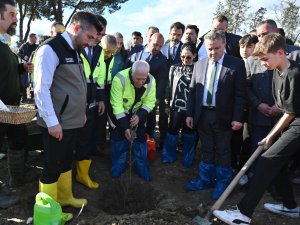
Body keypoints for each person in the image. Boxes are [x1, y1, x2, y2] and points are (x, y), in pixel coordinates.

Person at [213, 33, 300, 225]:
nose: (262, 64)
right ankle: (291, 206)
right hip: (290, 121)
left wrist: (270, 135)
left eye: (265, 59)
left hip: (297, 125)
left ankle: (243, 214)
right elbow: (284, 106)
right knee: (277, 165)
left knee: (268, 160)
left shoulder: (295, 73)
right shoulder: (277, 72)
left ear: (280, 53)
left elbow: (291, 112)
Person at [34, 11, 102, 220]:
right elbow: (41, 90)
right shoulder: (50, 49)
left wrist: (80, 113)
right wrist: (52, 123)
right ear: (75, 28)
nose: (92, 43)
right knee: (51, 167)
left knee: (65, 162)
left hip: (72, 121)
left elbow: (77, 85)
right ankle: (46, 217)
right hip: (57, 124)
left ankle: (64, 199)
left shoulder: (75, 50)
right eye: (90, 37)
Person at [185, 30, 246, 200]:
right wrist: (190, 114)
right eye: (210, 49)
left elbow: (240, 94)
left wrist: (237, 117)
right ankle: (205, 180)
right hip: (203, 115)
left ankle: (222, 181)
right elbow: (192, 92)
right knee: (206, 148)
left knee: (223, 150)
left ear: (224, 45)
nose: (213, 52)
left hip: (224, 117)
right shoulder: (199, 64)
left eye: (217, 48)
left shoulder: (236, 64)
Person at [245, 20, 300, 180]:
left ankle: (281, 188)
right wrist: (258, 104)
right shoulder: (252, 59)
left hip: (289, 119)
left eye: (265, 34)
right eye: (259, 35)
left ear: (277, 32)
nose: (261, 38)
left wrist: (281, 106)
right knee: (260, 152)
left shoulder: (296, 54)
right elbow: (246, 86)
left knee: (281, 156)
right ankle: (258, 181)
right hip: (260, 115)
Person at [0, 0, 33, 195]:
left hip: (12, 106)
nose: (16, 18)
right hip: (1, 108)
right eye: (12, 14)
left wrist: (21, 67)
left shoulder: (4, 42)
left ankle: (16, 179)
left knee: (19, 139)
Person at [74, 18, 107, 189]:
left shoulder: (100, 50)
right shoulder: (77, 46)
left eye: (102, 34)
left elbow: (100, 74)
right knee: (73, 134)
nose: (100, 38)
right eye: (98, 34)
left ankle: (82, 173)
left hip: (93, 95)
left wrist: (100, 98)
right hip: (76, 94)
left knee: (87, 134)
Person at [109, 60, 156, 181]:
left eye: (143, 79)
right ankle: (118, 168)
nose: (141, 82)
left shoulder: (151, 80)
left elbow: (150, 102)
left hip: (137, 113)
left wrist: (140, 116)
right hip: (120, 113)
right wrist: (125, 128)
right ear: (132, 73)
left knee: (140, 139)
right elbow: (117, 106)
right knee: (119, 139)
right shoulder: (119, 79)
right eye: (138, 79)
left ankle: (141, 167)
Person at [127, 33, 168, 143]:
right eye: (155, 45)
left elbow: (162, 80)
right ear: (148, 40)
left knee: (149, 120)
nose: (158, 48)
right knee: (130, 118)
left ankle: (148, 142)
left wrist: (157, 98)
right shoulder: (135, 51)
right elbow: (126, 69)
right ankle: (129, 140)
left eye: (160, 46)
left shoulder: (163, 60)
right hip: (130, 93)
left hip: (149, 96)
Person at [162, 42, 197, 168]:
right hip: (176, 107)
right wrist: (166, 104)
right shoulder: (174, 68)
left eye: (188, 57)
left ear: (194, 55)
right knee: (172, 131)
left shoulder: (199, 69)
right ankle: (168, 156)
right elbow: (169, 86)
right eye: (182, 57)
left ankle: (187, 158)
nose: (185, 60)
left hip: (191, 108)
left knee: (189, 133)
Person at [17, 33, 38, 103]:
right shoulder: (24, 46)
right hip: (25, 67)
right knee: (24, 83)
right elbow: (18, 53)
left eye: (36, 38)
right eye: (35, 38)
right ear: (30, 38)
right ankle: (24, 97)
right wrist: (24, 57)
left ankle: (33, 97)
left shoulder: (37, 46)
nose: (36, 39)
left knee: (33, 82)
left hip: (34, 67)